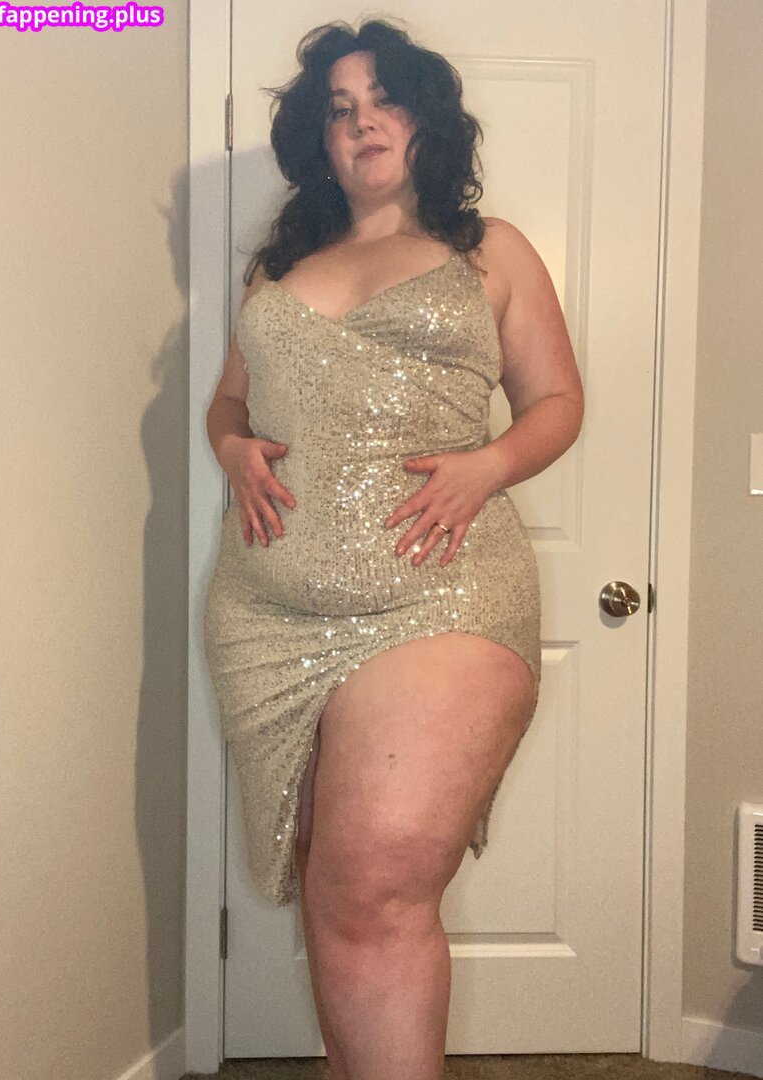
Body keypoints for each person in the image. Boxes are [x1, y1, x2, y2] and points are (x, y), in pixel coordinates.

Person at [203, 16, 583, 1080]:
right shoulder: (280, 267)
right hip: (264, 610)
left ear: (426, 119)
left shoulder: (489, 251)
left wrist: (489, 465)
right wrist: (231, 449)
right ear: (317, 138)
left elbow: (558, 401)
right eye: (339, 108)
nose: (362, 121)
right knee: (330, 881)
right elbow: (226, 403)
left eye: (385, 98)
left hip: (438, 594)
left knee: (371, 884)